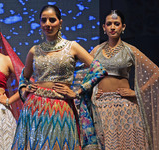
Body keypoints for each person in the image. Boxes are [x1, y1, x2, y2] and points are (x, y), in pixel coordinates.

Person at [12, 5, 107, 150]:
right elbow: (24, 78)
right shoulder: (34, 50)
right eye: (44, 20)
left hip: (61, 106)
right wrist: (24, 89)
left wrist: (78, 92)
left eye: (52, 20)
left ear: (60, 22)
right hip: (34, 108)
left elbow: (99, 70)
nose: (48, 24)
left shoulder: (72, 47)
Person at [90, 10, 159, 150]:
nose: (113, 27)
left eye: (116, 24)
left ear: (123, 27)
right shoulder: (96, 50)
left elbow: (156, 72)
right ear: (104, 27)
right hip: (101, 106)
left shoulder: (130, 50)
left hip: (125, 105)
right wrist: (91, 92)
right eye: (109, 24)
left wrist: (137, 92)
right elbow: (85, 74)